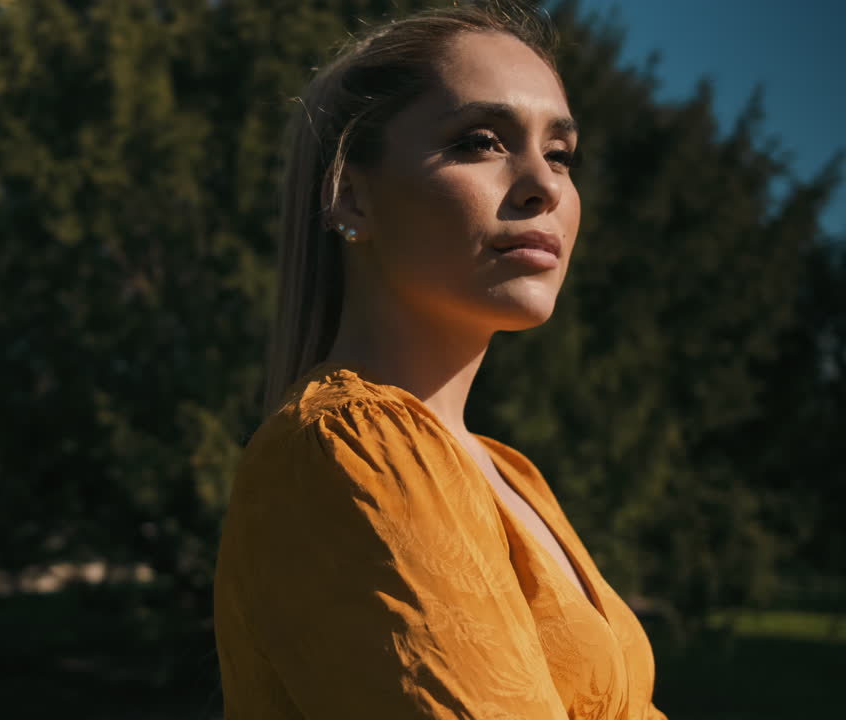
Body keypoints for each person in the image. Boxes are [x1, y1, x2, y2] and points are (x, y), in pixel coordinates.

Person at [211, 2, 670, 718]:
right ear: (351, 194)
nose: (544, 186)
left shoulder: (512, 475)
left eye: (560, 154)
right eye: (482, 141)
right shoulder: (347, 449)